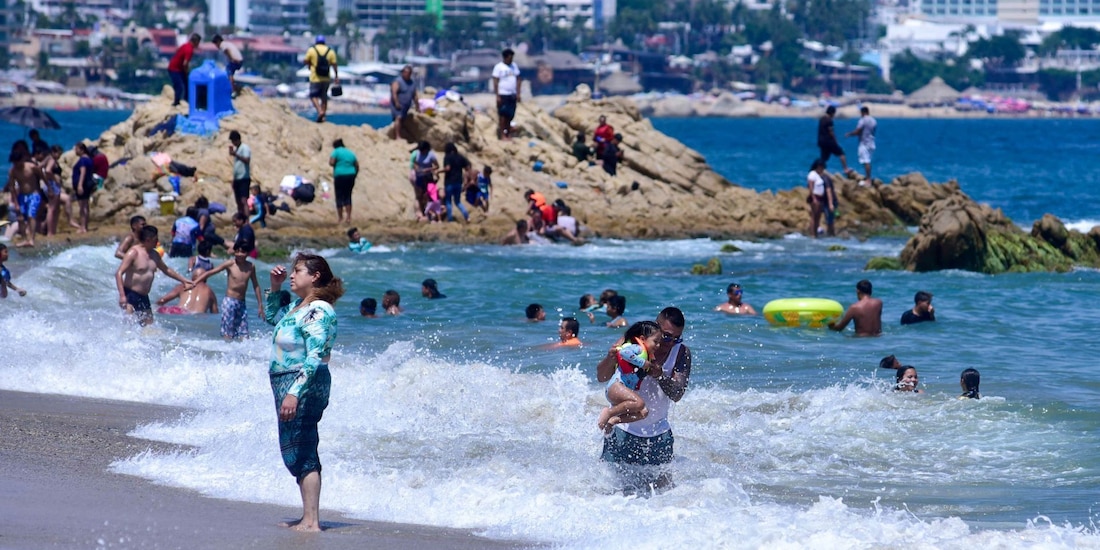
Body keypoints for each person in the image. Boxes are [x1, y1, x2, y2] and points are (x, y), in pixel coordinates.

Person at [262, 254, 343, 532]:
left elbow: (315, 355)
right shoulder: (299, 307)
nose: (292, 276)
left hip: (303, 382)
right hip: (290, 381)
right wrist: (275, 287)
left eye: (298, 271)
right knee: (295, 447)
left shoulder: (318, 310)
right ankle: (307, 516)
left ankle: (312, 522)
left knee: (303, 446)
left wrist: (295, 393)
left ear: (315, 276)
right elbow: (273, 318)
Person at [597, 307, 692, 493]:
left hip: (659, 435)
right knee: (610, 491)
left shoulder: (681, 353)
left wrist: (659, 374)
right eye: (666, 336)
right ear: (656, 327)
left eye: (676, 338)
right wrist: (609, 359)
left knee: (664, 495)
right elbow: (602, 376)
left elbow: (677, 394)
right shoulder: (633, 343)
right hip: (622, 430)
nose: (670, 343)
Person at [116, 225, 193, 326]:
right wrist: (122, 296)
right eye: (155, 239)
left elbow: (167, 270)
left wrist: (184, 280)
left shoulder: (154, 255)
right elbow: (119, 273)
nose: (157, 242)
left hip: (144, 297)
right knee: (127, 327)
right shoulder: (133, 253)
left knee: (149, 329)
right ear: (148, 240)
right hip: (130, 295)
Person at [598, 320, 662, 432]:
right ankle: (608, 412)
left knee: (643, 412)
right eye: (655, 341)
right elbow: (624, 353)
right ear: (642, 339)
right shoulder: (637, 348)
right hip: (616, 385)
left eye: (659, 342)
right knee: (639, 403)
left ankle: (613, 420)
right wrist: (642, 363)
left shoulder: (648, 356)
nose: (658, 345)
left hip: (622, 389)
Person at [197, 242, 265, 340]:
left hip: (242, 303)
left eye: (242, 252)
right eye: (237, 252)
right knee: (228, 334)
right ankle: (226, 352)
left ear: (247, 253)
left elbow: (256, 285)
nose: (239, 254)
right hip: (229, 302)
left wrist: (260, 305)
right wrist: (195, 282)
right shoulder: (230, 264)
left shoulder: (251, 266)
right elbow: (211, 272)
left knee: (244, 334)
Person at [7, 149, 46, 247]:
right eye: (14, 163)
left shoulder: (31, 167)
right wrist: (15, 203)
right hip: (22, 196)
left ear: (22, 160)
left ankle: (31, 239)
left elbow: (42, 176)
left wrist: (49, 188)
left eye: (17, 162)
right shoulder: (13, 171)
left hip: (34, 194)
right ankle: (25, 238)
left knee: (31, 215)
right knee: (20, 218)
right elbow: (12, 188)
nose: (16, 164)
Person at [303, 35, 338, 123]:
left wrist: (310, 65)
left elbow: (305, 60)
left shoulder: (312, 50)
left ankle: (320, 111)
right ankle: (323, 116)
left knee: (313, 95)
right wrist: (336, 76)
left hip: (315, 77)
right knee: (324, 96)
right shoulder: (330, 51)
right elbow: (334, 64)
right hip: (326, 78)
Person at [492, 48, 521, 140]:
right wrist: (497, 95)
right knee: (503, 115)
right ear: (505, 57)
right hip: (503, 94)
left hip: (512, 94)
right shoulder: (499, 67)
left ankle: (508, 133)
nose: (511, 59)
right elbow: (495, 81)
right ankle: (502, 134)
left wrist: (518, 93)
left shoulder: (514, 66)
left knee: (510, 114)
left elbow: (518, 79)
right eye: (510, 57)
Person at [328, 139, 359, 224]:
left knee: (339, 196)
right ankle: (348, 217)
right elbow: (356, 165)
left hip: (340, 175)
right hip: (350, 175)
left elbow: (331, 162)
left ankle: (340, 218)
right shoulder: (350, 152)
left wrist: (336, 164)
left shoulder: (336, 151)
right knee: (348, 196)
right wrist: (354, 174)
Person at [438, 143, 470, 222]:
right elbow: (468, 168)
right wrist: (465, 179)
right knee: (458, 202)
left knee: (448, 201)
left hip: (449, 182)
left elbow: (447, 168)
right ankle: (467, 216)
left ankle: (450, 219)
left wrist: (438, 171)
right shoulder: (460, 157)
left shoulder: (447, 157)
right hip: (458, 182)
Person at [845, 106, 877, 186]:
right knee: (868, 161)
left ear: (862, 112)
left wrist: (849, 134)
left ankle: (868, 180)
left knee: (866, 161)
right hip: (871, 143)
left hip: (864, 143)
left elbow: (858, 131)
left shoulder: (862, 120)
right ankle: (868, 178)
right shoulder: (873, 120)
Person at [167, 33, 201, 107]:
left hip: (178, 68)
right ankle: (176, 102)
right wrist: (186, 72)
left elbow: (177, 51)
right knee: (179, 86)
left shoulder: (185, 45)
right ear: (196, 41)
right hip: (175, 69)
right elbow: (185, 63)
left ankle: (186, 100)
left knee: (186, 84)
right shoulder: (189, 50)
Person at [817, 105, 852, 175]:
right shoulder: (829, 120)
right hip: (829, 141)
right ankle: (846, 169)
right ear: (832, 113)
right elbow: (831, 132)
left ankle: (819, 170)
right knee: (841, 153)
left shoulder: (822, 119)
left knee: (824, 157)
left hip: (821, 141)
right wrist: (836, 141)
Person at [389, 65, 419, 141]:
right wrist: (396, 103)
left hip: (406, 105)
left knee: (403, 119)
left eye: (409, 73)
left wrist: (417, 106)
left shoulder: (412, 83)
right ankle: (397, 136)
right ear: (403, 73)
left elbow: (414, 95)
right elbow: (394, 93)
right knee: (398, 118)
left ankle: (403, 135)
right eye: (406, 72)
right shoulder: (398, 81)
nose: (407, 74)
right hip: (398, 104)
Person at [71, 142, 95, 233]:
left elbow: (83, 172)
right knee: (85, 205)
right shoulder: (89, 159)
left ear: (81, 150)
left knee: (82, 206)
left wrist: (80, 185)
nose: (75, 151)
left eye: (76, 149)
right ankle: (85, 225)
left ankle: (83, 227)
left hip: (83, 185)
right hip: (88, 184)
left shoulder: (83, 160)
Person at [806, 158, 832, 238]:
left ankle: (816, 233)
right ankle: (812, 234)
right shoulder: (812, 174)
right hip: (815, 197)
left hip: (820, 198)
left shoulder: (819, 175)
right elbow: (811, 187)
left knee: (818, 217)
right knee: (814, 216)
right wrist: (813, 198)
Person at [411, 141, 438, 219]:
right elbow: (414, 164)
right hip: (419, 177)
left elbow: (436, 166)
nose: (421, 152)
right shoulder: (418, 154)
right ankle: (421, 213)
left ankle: (432, 213)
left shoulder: (431, 155)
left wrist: (428, 169)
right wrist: (418, 169)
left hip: (428, 177)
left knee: (431, 195)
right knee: (420, 196)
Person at [228, 130, 251, 218]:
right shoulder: (238, 149)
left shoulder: (245, 148)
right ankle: (241, 219)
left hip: (244, 178)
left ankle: (247, 220)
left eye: (233, 141)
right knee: (238, 201)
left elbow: (247, 160)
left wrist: (235, 154)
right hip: (237, 179)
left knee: (243, 200)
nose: (233, 143)